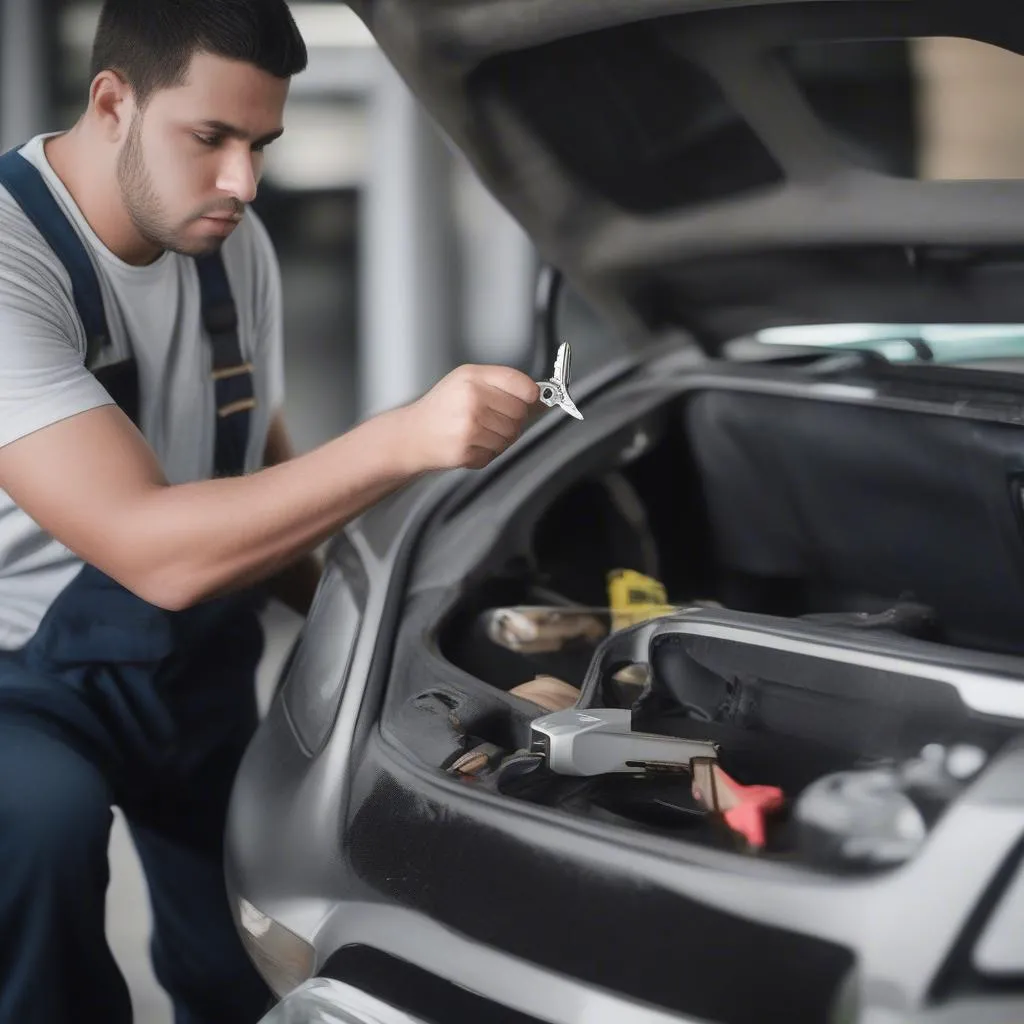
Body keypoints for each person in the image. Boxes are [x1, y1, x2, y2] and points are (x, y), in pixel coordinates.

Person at [0, 1, 540, 1021]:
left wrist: (402, 628)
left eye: (261, 144)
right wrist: (404, 436)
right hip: (21, 674)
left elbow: (254, 465)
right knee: (40, 846)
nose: (243, 184)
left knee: (250, 951)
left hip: (194, 658)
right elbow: (150, 548)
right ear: (112, 101)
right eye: (210, 138)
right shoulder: (9, 259)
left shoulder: (229, 246)